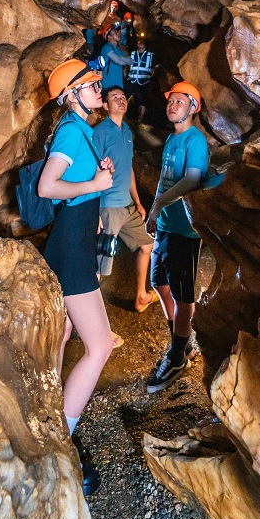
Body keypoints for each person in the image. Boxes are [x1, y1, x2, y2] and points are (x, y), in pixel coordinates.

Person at [38, 58, 115, 496]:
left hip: (76, 241)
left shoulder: (80, 129)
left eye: (97, 83)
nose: (98, 89)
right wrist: (94, 186)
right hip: (70, 249)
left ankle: (49, 418)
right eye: (90, 85)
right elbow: (47, 187)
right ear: (72, 95)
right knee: (100, 344)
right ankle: (62, 441)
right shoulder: (70, 128)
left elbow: (81, 181)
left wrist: (95, 176)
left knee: (64, 334)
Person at [145, 81, 208, 393]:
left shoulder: (195, 141)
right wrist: (153, 214)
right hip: (166, 225)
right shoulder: (172, 139)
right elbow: (163, 180)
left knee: (184, 297)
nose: (172, 105)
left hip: (185, 229)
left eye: (180, 101)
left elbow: (192, 179)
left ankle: (177, 355)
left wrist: (157, 206)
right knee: (159, 283)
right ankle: (181, 340)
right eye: (170, 101)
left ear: (193, 107)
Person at [93, 86, 156, 313]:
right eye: (114, 98)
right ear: (105, 105)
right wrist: (94, 210)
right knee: (100, 268)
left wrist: (138, 202)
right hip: (108, 207)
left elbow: (127, 168)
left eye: (122, 97)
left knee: (147, 244)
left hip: (127, 206)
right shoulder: (99, 133)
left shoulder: (127, 131)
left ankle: (141, 296)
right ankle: (87, 322)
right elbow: (91, 170)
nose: (120, 100)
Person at [128, 34, 158, 123]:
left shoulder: (150, 55)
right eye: (139, 41)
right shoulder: (133, 54)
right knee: (125, 96)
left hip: (144, 82)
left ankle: (140, 120)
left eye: (142, 41)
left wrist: (153, 74)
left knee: (142, 101)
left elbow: (157, 66)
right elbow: (127, 65)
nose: (140, 42)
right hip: (132, 80)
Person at [100, 20, 131, 91]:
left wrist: (119, 59)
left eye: (117, 31)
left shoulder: (119, 50)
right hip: (108, 85)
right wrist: (121, 59)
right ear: (108, 36)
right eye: (114, 31)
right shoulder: (106, 47)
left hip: (119, 85)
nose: (118, 33)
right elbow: (120, 62)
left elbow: (131, 61)